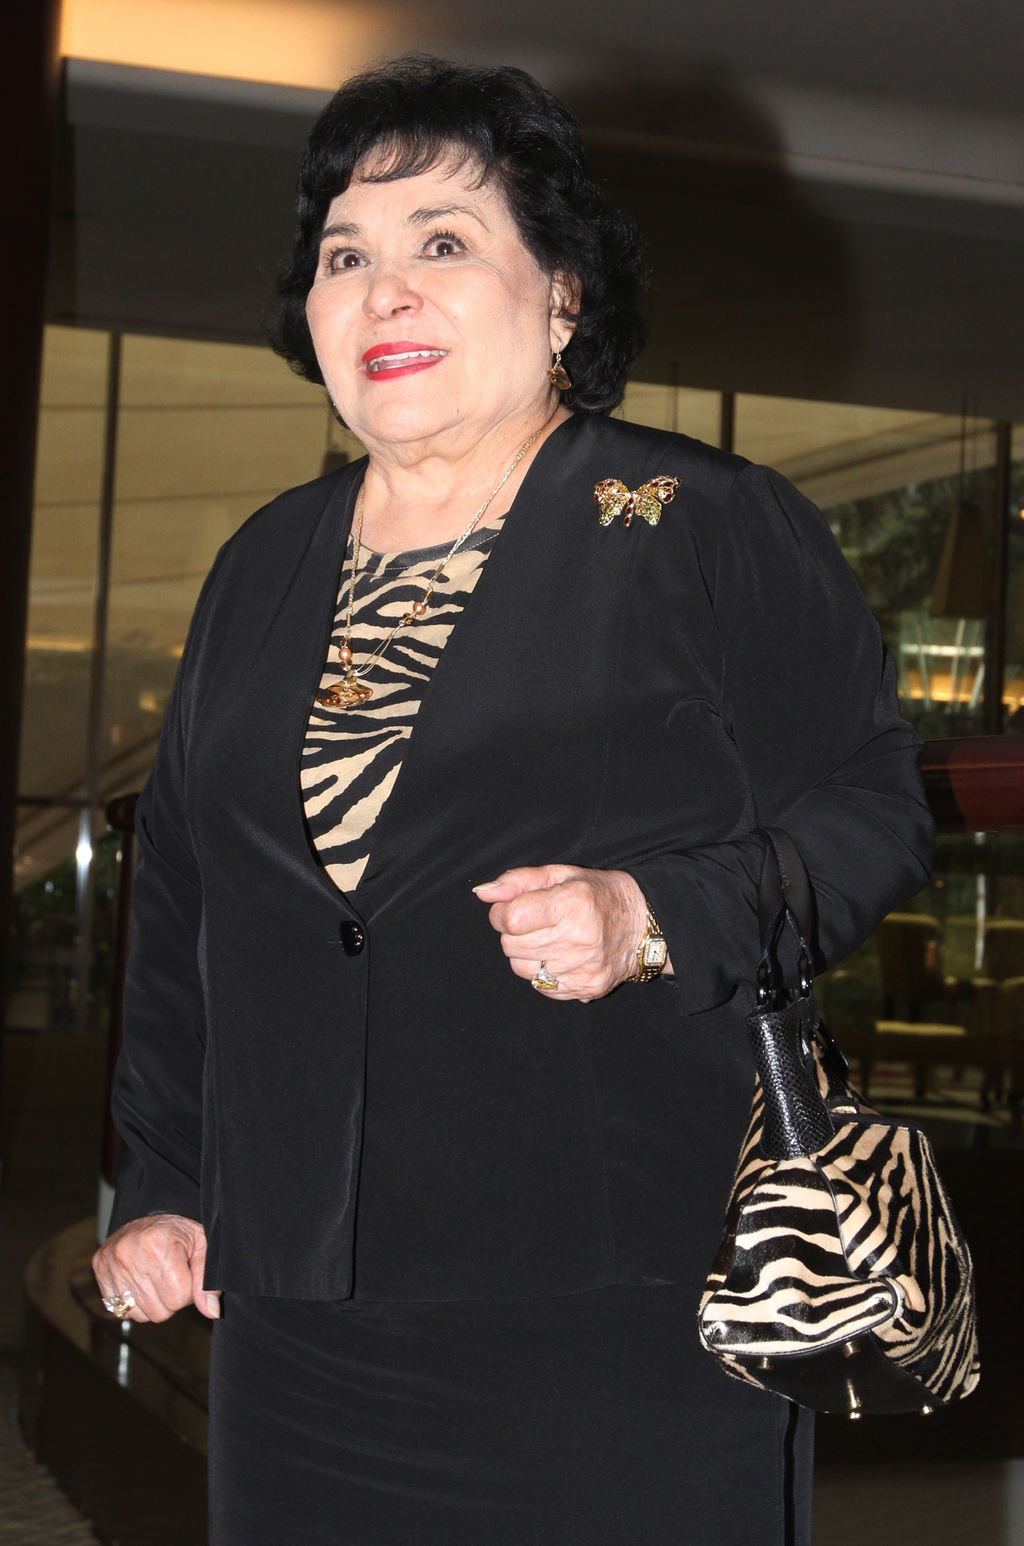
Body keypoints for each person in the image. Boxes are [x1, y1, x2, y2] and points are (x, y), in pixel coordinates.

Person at [93, 55, 933, 1546]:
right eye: (346, 255)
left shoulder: (699, 523)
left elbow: (872, 809)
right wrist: (163, 1178)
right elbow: (185, 895)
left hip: (616, 1301)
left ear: (562, 294)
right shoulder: (263, 563)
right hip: (301, 1305)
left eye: (444, 241)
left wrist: (653, 912)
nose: (385, 290)